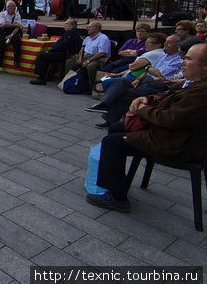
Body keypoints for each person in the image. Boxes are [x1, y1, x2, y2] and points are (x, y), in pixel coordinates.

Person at [86, 43, 207, 213]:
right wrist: (148, 99)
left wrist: (143, 109)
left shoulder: (200, 92)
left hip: (176, 143)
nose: (183, 62)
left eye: (188, 59)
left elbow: (170, 119)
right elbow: (167, 98)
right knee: (116, 128)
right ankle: (115, 183)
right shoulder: (194, 84)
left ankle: (117, 198)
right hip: (172, 134)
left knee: (112, 142)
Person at [85, 34, 183, 127]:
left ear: (178, 46)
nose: (166, 44)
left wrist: (148, 69)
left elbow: (159, 73)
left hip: (158, 84)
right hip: (144, 78)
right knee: (120, 82)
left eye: (169, 43)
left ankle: (113, 121)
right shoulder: (164, 56)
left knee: (127, 93)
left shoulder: (178, 60)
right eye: (166, 42)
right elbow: (149, 69)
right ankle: (104, 104)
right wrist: (139, 79)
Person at [29, 19, 83, 85]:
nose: (65, 25)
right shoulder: (69, 33)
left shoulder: (72, 34)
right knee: (44, 55)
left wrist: (51, 50)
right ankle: (47, 76)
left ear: (72, 25)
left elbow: (63, 45)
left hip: (65, 54)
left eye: (67, 24)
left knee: (41, 56)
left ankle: (41, 78)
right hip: (61, 52)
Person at [63, 21, 111, 86]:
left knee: (91, 66)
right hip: (85, 57)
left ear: (96, 28)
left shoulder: (103, 38)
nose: (87, 29)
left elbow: (102, 53)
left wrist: (88, 61)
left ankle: (92, 87)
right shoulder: (87, 38)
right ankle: (68, 83)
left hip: (97, 59)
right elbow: (82, 49)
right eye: (87, 27)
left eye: (89, 27)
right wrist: (80, 58)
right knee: (70, 62)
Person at [0, 0, 22, 73]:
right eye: (12, 7)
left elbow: (18, 27)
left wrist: (12, 35)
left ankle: (16, 60)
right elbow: (3, 24)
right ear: (8, 7)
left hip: (12, 32)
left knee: (17, 40)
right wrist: (15, 24)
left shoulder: (17, 15)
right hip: (3, 31)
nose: (14, 8)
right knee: (0, 46)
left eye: (15, 7)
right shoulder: (2, 14)